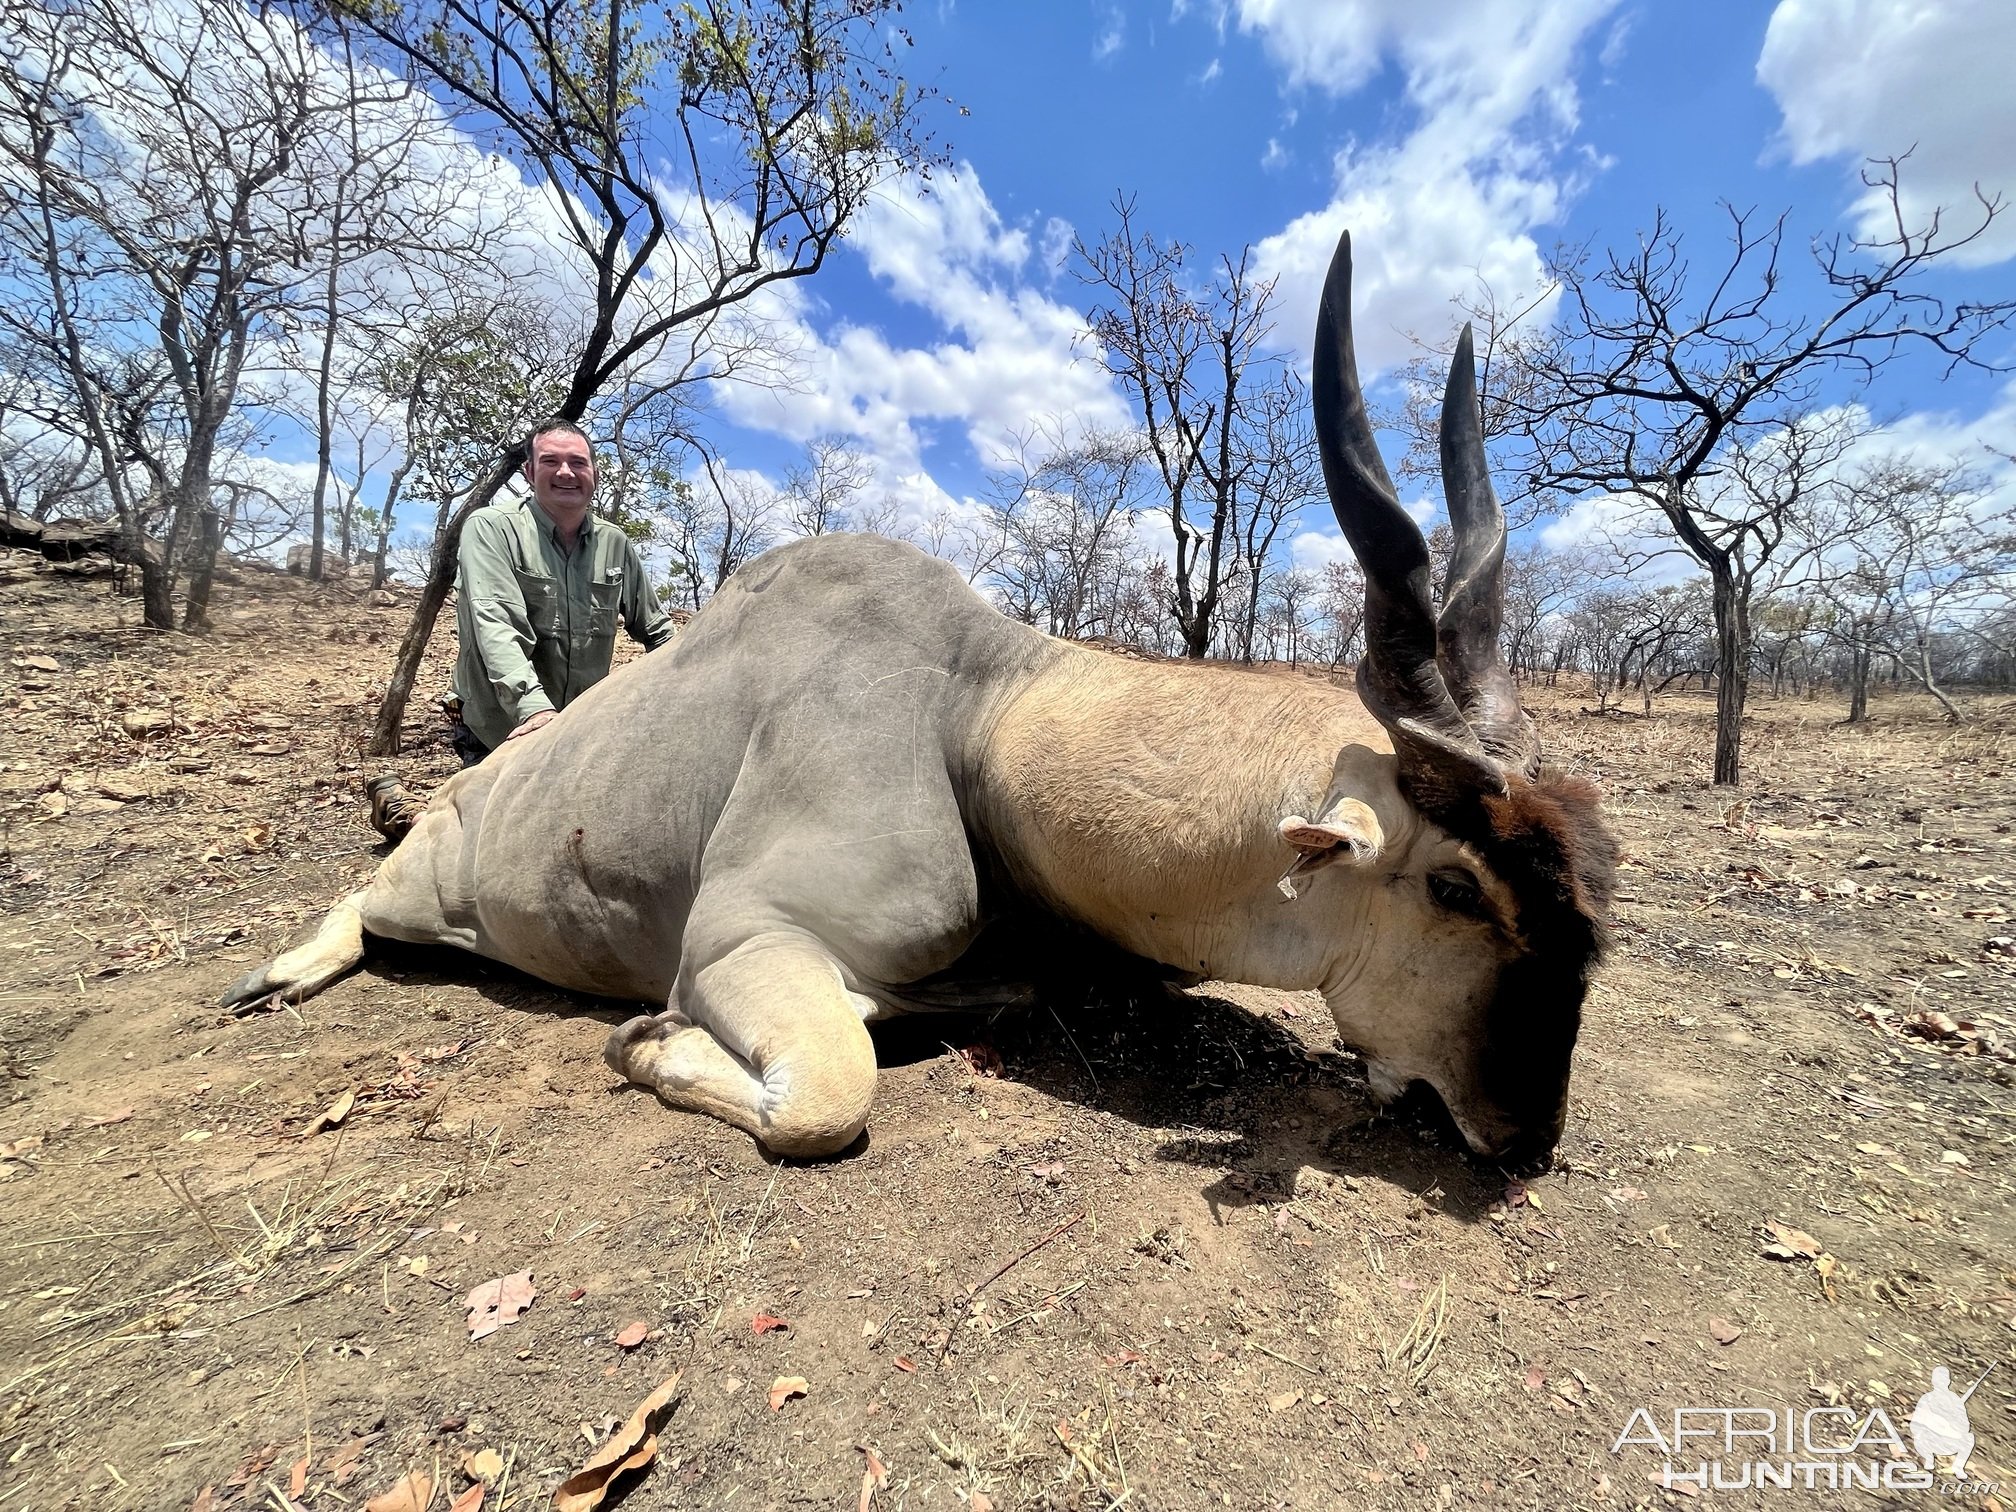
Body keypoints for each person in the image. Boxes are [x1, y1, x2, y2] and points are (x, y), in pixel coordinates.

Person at [368, 419, 677, 842]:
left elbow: (658, 631)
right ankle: (401, 812)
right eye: (550, 461)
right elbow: (497, 625)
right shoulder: (491, 528)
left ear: (594, 474)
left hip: (580, 729)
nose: (565, 472)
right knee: (481, 851)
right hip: (506, 723)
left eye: (577, 462)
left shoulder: (615, 543)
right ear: (530, 473)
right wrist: (534, 711)